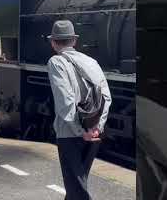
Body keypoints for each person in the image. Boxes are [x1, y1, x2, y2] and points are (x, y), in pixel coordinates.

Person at [47, 20, 112, 200]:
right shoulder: (92, 62)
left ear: (53, 43)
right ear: (74, 41)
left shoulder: (56, 62)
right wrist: (97, 127)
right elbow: (106, 97)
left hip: (70, 133)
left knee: (77, 190)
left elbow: (66, 102)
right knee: (77, 185)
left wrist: (80, 131)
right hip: (94, 132)